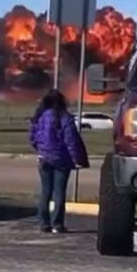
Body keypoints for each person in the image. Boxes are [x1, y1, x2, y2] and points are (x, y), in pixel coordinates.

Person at [28, 89, 89, 233]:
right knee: (59, 192)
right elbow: (71, 141)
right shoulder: (65, 118)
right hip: (62, 160)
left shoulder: (39, 117)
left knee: (45, 192)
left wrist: (41, 150)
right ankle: (57, 224)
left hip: (44, 159)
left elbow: (32, 138)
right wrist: (78, 159)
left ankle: (43, 223)